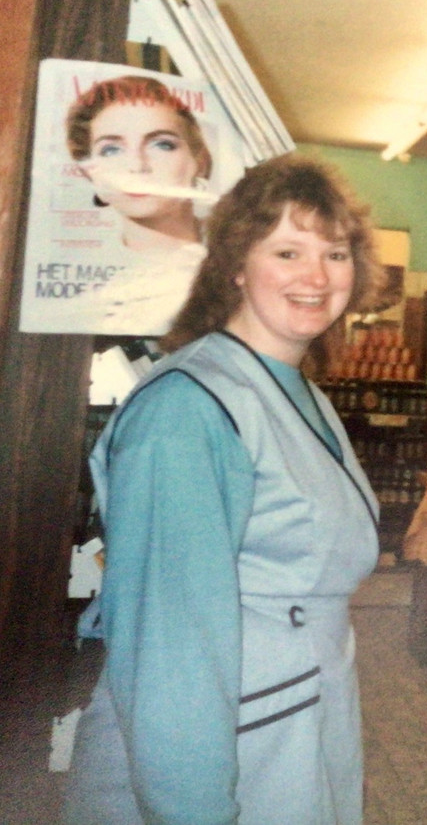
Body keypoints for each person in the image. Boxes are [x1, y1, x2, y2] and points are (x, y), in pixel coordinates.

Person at [63, 155, 383, 825]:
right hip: (219, 756)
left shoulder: (298, 392)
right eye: (288, 252)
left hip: (291, 726)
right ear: (237, 264)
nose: (317, 276)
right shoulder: (187, 410)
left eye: (335, 253)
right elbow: (169, 652)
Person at [60, 74, 219, 334]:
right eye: (111, 150)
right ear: (91, 175)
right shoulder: (86, 302)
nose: (137, 165)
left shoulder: (246, 253)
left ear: (199, 162)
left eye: (162, 144)